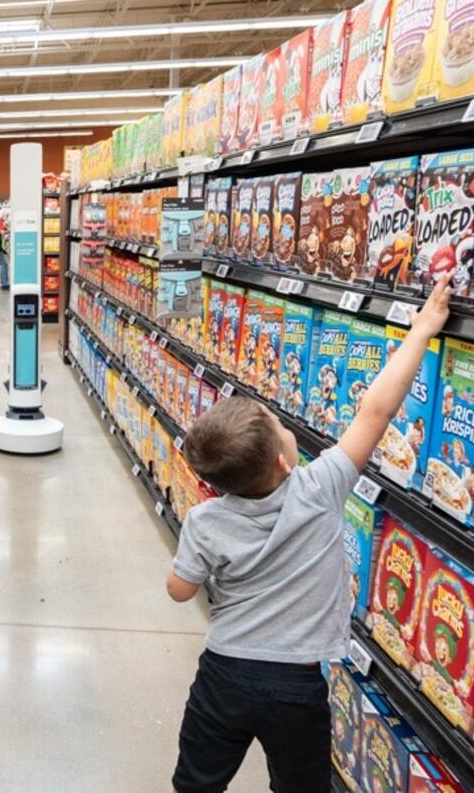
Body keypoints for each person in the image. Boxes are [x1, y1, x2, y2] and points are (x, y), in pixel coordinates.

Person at [165, 274, 453, 793]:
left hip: (224, 673)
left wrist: (205, 569)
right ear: (282, 458)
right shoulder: (320, 487)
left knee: (197, 781)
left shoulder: (206, 521)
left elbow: (179, 589)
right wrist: (426, 326)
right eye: (280, 425)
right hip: (296, 683)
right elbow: (377, 410)